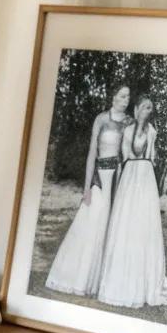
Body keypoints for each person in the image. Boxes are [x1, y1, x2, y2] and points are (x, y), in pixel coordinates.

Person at [44, 84, 130, 296]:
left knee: (112, 226)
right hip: (99, 177)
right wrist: (86, 188)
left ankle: (104, 281)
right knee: (93, 223)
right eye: (122, 95)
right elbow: (92, 153)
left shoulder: (130, 122)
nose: (125, 100)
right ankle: (79, 278)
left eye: (128, 96)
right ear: (113, 96)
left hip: (118, 178)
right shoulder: (101, 119)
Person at [97, 97, 167, 309]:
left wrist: (146, 162)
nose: (147, 111)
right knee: (126, 223)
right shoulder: (128, 130)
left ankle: (144, 280)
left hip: (145, 176)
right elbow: (126, 155)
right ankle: (120, 280)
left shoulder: (152, 132)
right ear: (137, 108)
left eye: (150, 108)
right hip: (130, 175)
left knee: (143, 223)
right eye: (145, 107)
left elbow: (150, 158)